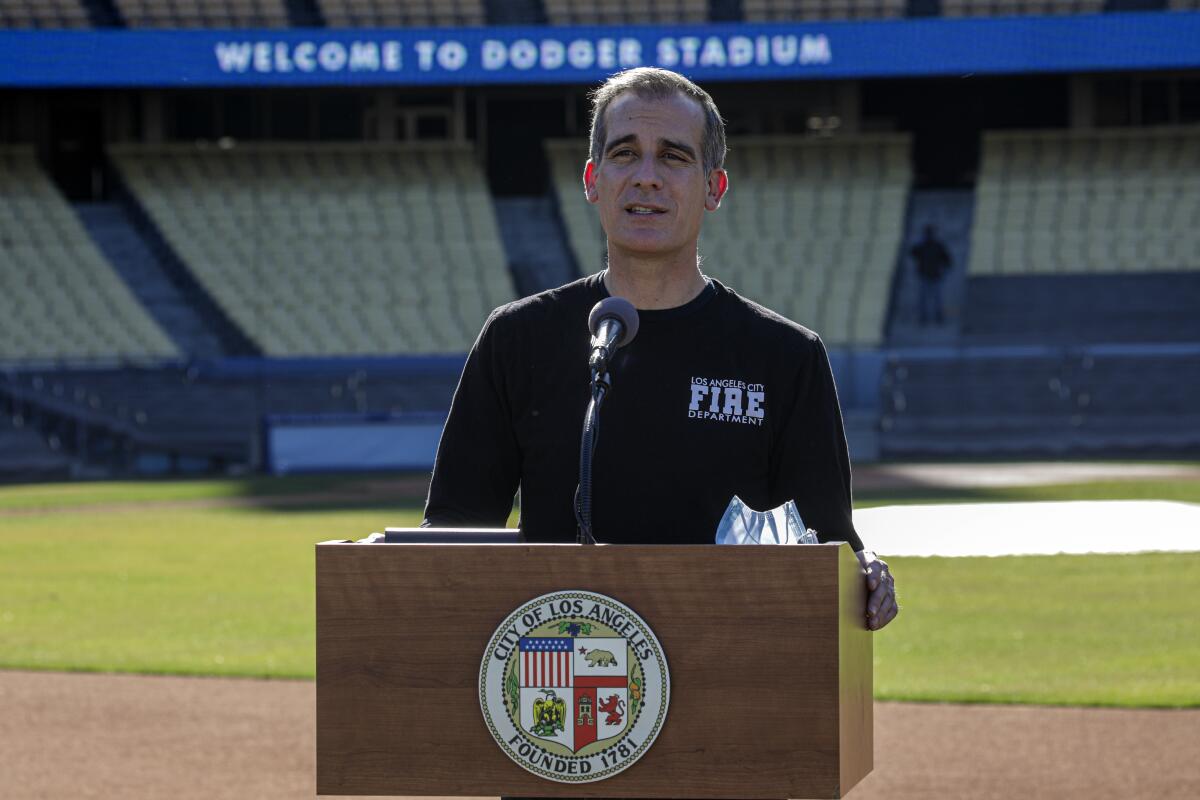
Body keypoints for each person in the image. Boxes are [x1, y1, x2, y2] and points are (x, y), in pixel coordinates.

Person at [423, 67, 897, 632]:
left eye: (673, 157)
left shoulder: (785, 357)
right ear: (593, 180)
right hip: (557, 683)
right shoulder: (516, 339)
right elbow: (451, 535)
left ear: (714, 188)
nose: (646, 177)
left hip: (726, 676)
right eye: (625, 154)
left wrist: (862, 569)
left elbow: (825, 547)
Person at [911, 224, 952, 326]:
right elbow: (912, 253)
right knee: (923, 298)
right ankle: (923, 317)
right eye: (927, 233)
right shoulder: (922, 246)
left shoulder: (938, 245)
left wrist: (944, 269)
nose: (929, 235)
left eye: (930, 233)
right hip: (924, 275)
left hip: (935, 275)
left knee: (936, 298)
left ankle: (938, 317)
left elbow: (947, 259)